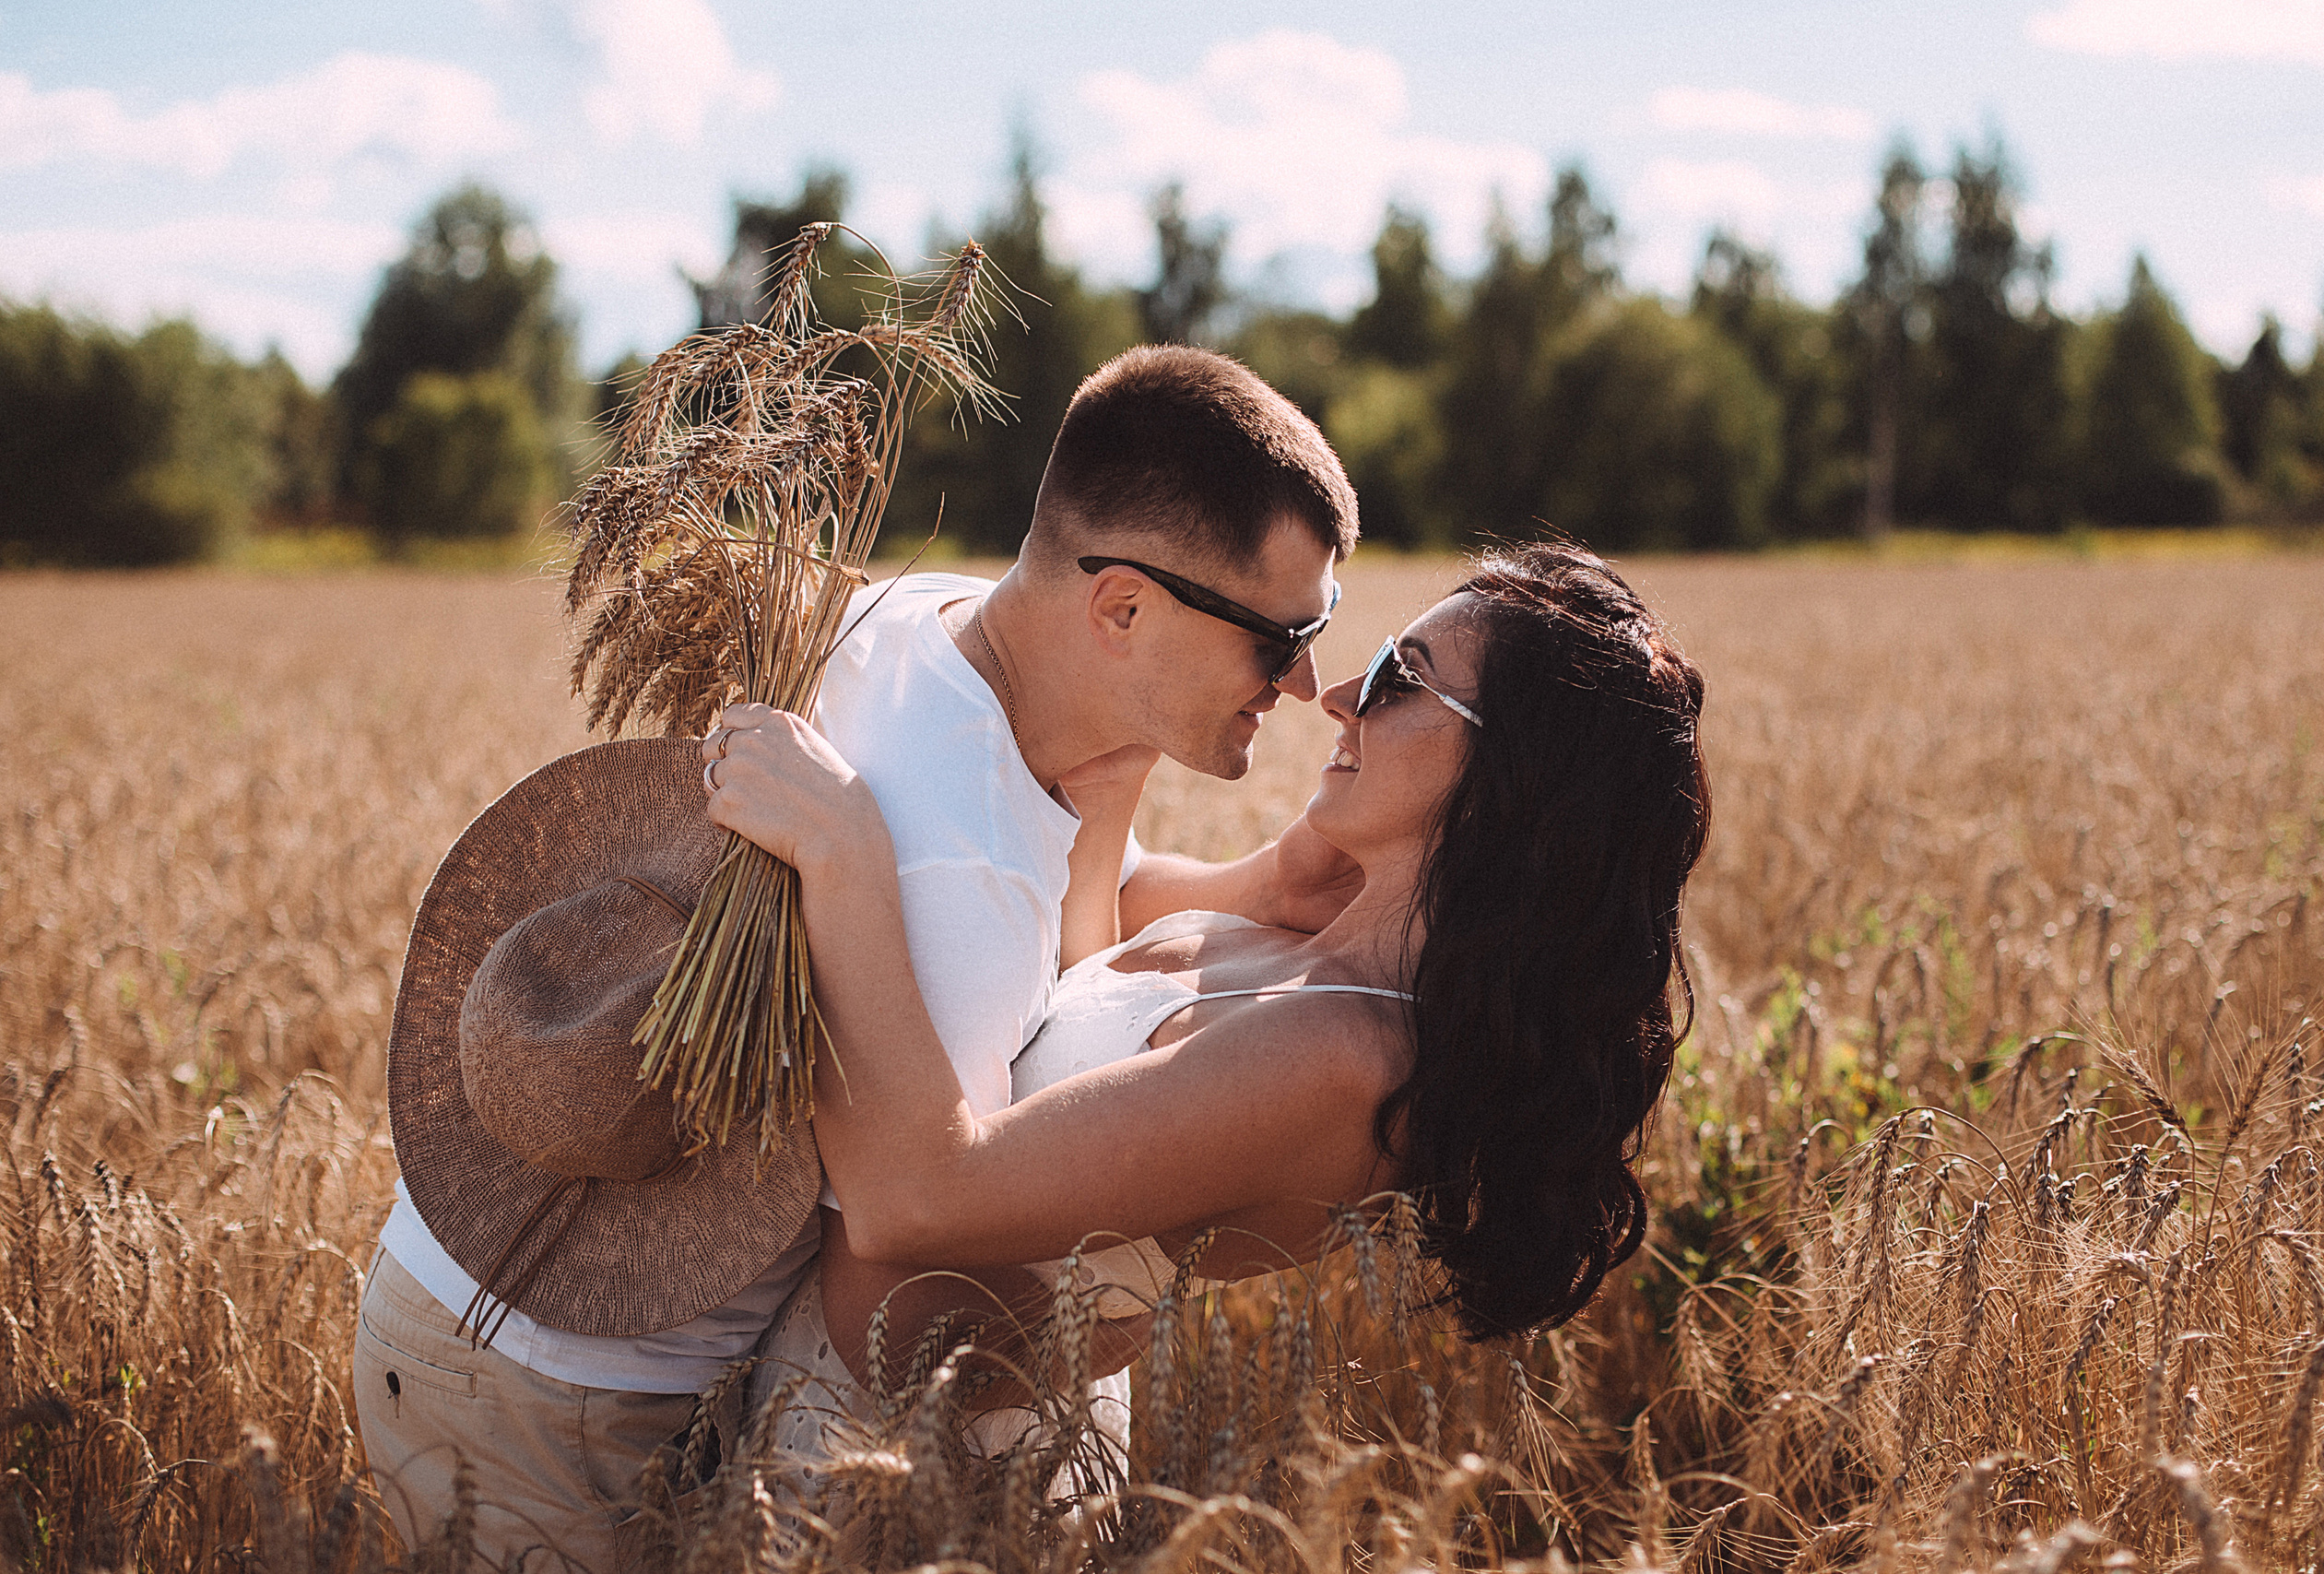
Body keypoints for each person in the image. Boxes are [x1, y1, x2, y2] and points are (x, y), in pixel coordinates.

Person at [354, 343, 1366, 1570]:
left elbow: (1046, 902)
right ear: (1122, 607)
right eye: (1280, 634)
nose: (1308, 678)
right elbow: (887, 1281)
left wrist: (1257, 883)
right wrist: (1151, 1265)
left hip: (467, 1273)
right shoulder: (947, 883)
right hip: (545, 1395)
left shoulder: (935, 622)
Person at [698, 541, 1712, 1481]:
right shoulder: (1317, 935)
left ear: (1514, 783)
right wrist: (1120, 770)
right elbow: (1083, 988)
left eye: (1403, 680)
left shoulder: (1346, 1058)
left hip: (912, 1479)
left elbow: (913, 1201)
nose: (1344, 696)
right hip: (815, 1399)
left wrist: (843, 854)